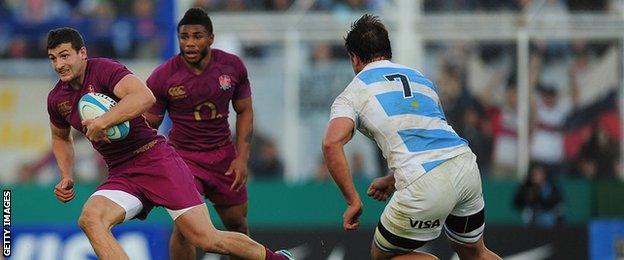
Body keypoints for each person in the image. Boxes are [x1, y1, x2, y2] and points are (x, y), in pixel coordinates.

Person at [45, 27, 292, 260]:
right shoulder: (57, 98)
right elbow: (60, 137)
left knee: (206, 238)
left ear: (83, 53)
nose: (59, 64)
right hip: (122, 172)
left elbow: (144, 96)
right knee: (91, 219)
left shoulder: (104, 70)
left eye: (65, 56)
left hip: (156, 160)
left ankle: (276, 258)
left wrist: (103, 122)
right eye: (53, 58)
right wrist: (66, 174)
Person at [321, 14, 501, 260]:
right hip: (465, 166)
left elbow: (331, 143)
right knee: (475, 253)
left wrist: (353, 201)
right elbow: (428, 137)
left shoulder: (353, 92)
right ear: (387, 49)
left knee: (382, 255)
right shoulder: (420, 79)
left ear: (354, 58)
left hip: (424, 183)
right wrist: (394, 179)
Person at [143, 8, 257, 260]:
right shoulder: (163, 76)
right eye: (184, 37)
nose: (190, 43)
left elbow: (245, 111)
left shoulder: (232, 67)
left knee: (237, 222)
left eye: (197, 36)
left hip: (224, 158)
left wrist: (241, 158)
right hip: (183, 160)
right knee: (186, 230)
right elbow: (148, 125)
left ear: (211, 38)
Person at [513, 162, 563, 227]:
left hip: (548, 214)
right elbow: (517, 202)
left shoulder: (552, 186)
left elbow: (556, 201)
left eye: (538, 174)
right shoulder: (527, 186)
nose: (535, 176)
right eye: (534, 174)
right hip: (531, 215)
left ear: (544, 175)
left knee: (548, 218)